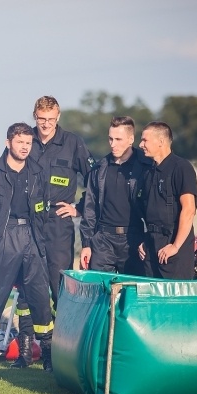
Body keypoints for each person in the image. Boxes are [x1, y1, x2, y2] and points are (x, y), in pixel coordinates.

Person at [11, 95, 93, 369]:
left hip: (59, 225)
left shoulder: (72, 143)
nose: (45, 124)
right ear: (34, 116)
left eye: (51, 119)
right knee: (27, 290)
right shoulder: (26, 141)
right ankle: (25, 353)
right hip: (29, 224)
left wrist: (78, 208)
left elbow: (95, 180)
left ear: (58, 117)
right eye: (41, 119)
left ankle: (58, 353)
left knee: (61, 291)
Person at [0, 122, 53, 373]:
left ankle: (47, 356)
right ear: (8, 143)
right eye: (20, 142)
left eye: (28, 143)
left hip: (32, 238)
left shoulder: (38, 172)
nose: (25, 147)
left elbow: (44, 209)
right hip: (4, 238)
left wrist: (38, 239)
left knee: (39, 299)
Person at [79, 116, 150, 275]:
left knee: (132, 287)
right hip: (103, 240)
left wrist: (148, 239)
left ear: (131, 139)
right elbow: (90, 209)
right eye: (110, 139)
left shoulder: (146, 167)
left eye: (118, 139)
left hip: (134, 239)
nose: (113, 144)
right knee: (101, 287)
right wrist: (86, 244)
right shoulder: (99, 169)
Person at [138, 121, 197, 279]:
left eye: (145, 140)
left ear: (161, 141)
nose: (141, 144)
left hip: (173, 245)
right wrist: (146, 241)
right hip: (151, 246)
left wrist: (175, 246)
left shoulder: (181, 167)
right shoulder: (149, 172)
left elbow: (189, 210)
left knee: (174, 292)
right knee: (150, 291)